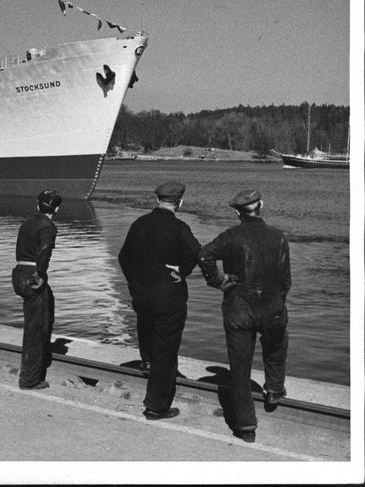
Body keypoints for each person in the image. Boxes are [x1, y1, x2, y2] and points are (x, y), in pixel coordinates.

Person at [198, 190, 291, 443]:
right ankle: (273, 390)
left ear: (237, 212)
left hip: (239, 306)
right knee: (276, 345)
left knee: (240, 367)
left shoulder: (231, 236)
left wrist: (219, 282)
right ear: (262, 205)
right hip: (271, 306)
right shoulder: (278, 236)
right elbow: (285, 279)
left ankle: (246, 426)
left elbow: (204, 255)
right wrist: (278, 299)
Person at [118, 181, 200, 420]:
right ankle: (156, 406)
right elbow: (198, 252)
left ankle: (147, 363)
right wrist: (181, 270)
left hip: (142, 294)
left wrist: (135, 282)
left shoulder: (139, 224)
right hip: (168, 296)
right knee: (166, 350)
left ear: (157, 200)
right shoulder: (179, 227)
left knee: (146, 330)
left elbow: (124, 257)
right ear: (180, 203)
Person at [12, 189, 62, 390]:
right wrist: (40, 275)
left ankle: (42, 360)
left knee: (46, 311)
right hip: (32, 276)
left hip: (19, 273)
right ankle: (29, 379)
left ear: (38, 206)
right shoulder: (48, 227)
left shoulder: (27, 223)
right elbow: (45, 253)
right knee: (36, 328)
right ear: (57, 209)